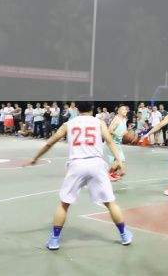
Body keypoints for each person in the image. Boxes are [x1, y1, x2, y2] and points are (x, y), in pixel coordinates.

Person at [27, 100, 132, 250]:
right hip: (96, 164)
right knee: (110, 202)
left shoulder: (69, 124)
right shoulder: (99, 122)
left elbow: (50, 143)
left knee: (64, 204)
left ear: (76, 109)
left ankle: (54, 240)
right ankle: (124, 235)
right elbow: (110, 141)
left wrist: (35, 158)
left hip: (76, 165)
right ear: (92, 108)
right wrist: (119, 161)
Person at [107, 105, 129, 182]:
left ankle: (112, 173)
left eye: (126, 109)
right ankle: (107, 175)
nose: (125, 111)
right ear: (118, 111)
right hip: (113, 143)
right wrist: (118, 135)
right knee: (118, 161)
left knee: (122, 171)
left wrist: (125, 132)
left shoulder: (124, 120)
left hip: (117, 143)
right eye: (123, 109)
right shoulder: (117, 119)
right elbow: (109, 130)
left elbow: (123, 131)